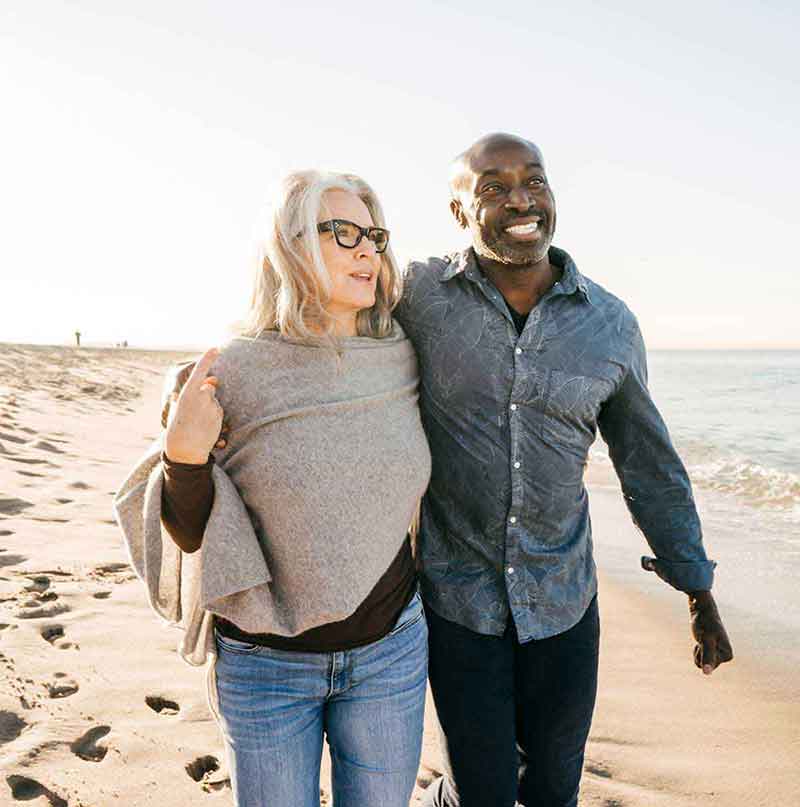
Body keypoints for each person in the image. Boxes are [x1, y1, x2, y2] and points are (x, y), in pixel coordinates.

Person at [393, 133, 733, 807]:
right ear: (460, 212)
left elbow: (648, 462)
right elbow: (326, 330)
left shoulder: (608, 324)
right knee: (480, 792)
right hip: (458, 599)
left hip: (564, 601)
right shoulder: (418, 297)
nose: (520, 200)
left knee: (553, 789)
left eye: (535, 182)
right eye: (492, 187)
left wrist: (697, 588)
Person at [115, 170, 431, 807]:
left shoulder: (401, 355)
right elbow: (189, 532)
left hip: (390, 651)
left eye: (374, 234)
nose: (368, 250)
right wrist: (182, 456)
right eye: (344, 233)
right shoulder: (235, 370)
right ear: (289, 244)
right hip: (266, 666)